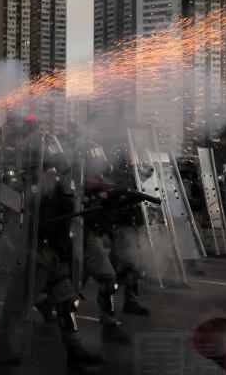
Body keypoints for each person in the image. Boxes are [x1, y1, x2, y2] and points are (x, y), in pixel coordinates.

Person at [29, 132, 103, 368]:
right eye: (49, 150)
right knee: (17, 306)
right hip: (36, 254)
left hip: (56, 252)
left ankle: (74, 348)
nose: (55, 153)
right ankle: (1, 342)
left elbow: (73, 199)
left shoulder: (59, 183)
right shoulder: (26, 183)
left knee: (68, 303)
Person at [75, 141, 131, 343]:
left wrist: (120, 196)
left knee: (70, 284)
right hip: (83, 233)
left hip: (95, 233)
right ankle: (108, 321)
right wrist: (101, 194)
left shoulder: (101, 179)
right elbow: (82, 196)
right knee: (108, 278)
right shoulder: (75, 180)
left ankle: (51, 303)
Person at [107, 144, 150, 316]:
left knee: (134, 265)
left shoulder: (137, 175)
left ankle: (131, 300)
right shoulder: (114, 176)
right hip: (118, 226)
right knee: (106, 270)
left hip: (132, 225)